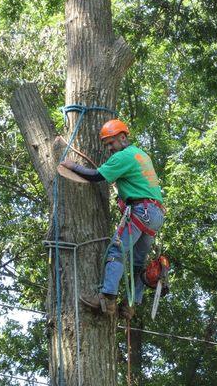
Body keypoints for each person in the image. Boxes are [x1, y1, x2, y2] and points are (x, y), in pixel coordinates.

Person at [61, 119, 165, 320]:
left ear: (123, 137)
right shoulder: (140, 154)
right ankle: (130, 305)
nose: (109, 148)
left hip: (141, 211)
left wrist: (71, 165)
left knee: (117, 250)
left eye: (111, 143)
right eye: (106, 144)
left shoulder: (123, 157)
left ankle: (107, 298)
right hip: (154, 215)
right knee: (137, 262)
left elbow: (96, 176)